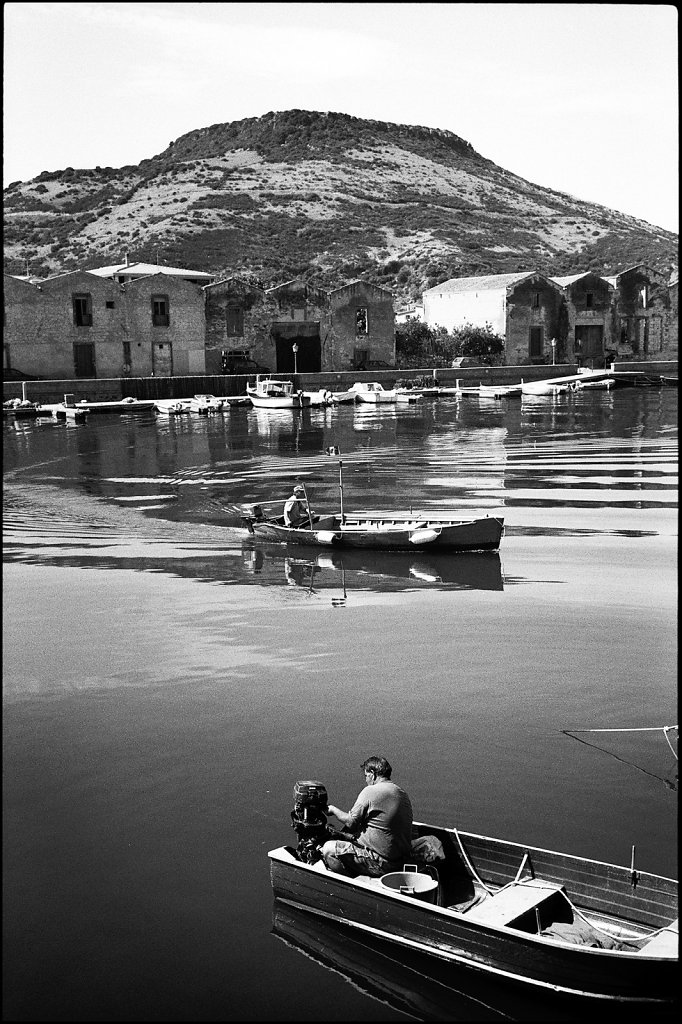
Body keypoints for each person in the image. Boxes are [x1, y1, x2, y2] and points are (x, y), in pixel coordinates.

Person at [321, 756, 413, 877]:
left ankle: (352, 882)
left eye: (366, 776)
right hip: (400, 861)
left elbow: (351, 822)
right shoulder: (402, 793)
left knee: (328, 849)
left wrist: (332, 809)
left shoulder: (370, 791)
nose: (366, 780)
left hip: (381, 863)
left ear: (372, 774)